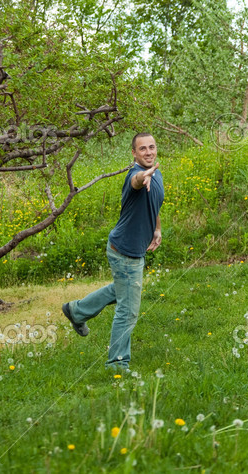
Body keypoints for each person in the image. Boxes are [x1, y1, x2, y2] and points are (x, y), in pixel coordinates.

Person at [62, 132, 164, 370]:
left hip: (130, 248)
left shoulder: (156, 172)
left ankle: (77, 311)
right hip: (125, 251)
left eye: (152, 147)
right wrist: (142, 176)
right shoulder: (136, 175)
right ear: (134, 153)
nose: (148, 152)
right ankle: (117, 364)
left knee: (123, 289)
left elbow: (155, 201)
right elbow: (137, 182)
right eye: (143, 149)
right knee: (128, 310)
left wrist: (156, 228)